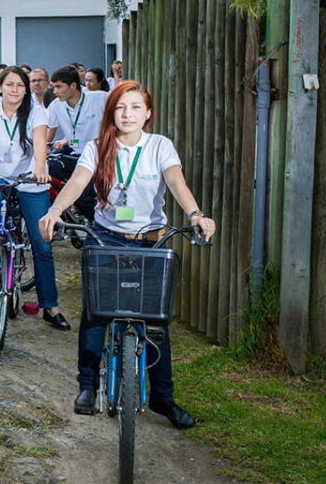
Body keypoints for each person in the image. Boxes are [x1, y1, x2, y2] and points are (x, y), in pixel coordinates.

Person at [41, 80, 215, 429]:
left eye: (135, 107)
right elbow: (77, 182)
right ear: (111, 112)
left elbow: (177, 182)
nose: (127, 114)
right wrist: (56, 209)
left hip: (150, 241)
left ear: (148, 113)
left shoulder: (159, 147)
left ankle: (163, 399)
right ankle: (87, 386)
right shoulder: (97, 147)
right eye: (121, 107)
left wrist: (196, 215)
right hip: (106, 238)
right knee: (96, 315)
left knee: (156, 325)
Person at [0, 67, 69, 329]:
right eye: (9, 84)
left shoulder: (37, 112)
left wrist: (39, 167)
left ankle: (50, 306)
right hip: (1, 176)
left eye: (20, 85)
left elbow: (39, 140)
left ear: (26, 89)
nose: (15, 89)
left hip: (30, 179)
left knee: (42, 242)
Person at [46, 66, 108, 222]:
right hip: (74, 153)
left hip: (99, 156)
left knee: (84, 197)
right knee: (48, 168)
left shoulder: (99, 98)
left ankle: (97, 228)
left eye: (59, 87)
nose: (55, 91)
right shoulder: (56, 105)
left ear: (73, 85)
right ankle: (64, 213)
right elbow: (47, 131)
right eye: (54, 87)